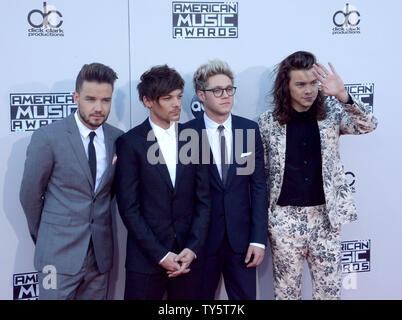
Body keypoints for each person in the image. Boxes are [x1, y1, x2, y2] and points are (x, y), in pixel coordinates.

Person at [258, 51, 378, 300]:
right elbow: (262, 174)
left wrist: (343, 95)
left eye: (313, 83)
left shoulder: (332, 115)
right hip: (284, 222)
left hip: (326, 220)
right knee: (286, 295)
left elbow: (368, 125)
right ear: (286, 86)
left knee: (329, 294)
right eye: (300, 84)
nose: (308, 90)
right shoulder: (267, 122)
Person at [19, 62, 124, 299]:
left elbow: (109, 193)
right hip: (55, 257)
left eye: (106, 100)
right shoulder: (48, 137)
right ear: (76, 97)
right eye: (90, 99)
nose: (98, 107)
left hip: (100, 257)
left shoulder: (117, 139)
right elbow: (29, 196)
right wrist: (48, 237)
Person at [115, 65, 210, 300]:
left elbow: (204, 200)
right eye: (168, 98)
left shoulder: (193, 138)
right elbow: (129, 208)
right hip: (146, 261)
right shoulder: (130, 143)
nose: (177, 103)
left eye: (178, 96)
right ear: (148, 101)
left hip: (188, 260)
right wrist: (160, 255)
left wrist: (193, 248)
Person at [186, 59, 268, 300]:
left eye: (229, 89)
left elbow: (259, 188)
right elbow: (182, 193)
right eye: (217, 90)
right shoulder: (188, 133)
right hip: (201, 242)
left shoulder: (248, 130)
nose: (225, 95)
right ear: (201, 95)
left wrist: (258, 240)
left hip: (241, 242)